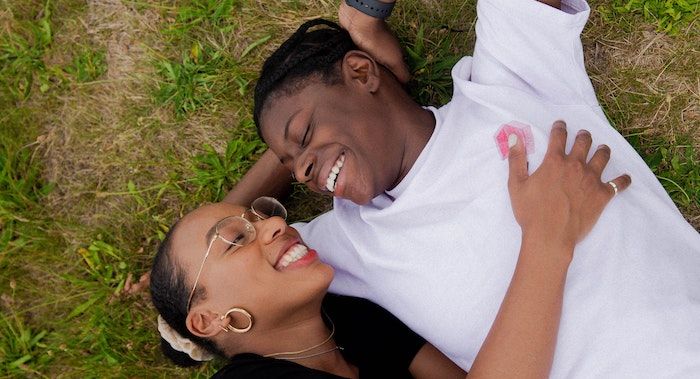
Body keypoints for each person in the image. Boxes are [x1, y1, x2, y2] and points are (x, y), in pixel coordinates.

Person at [225, 0, 700, 377]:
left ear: (361, 73)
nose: (303, 173)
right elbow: (203, 265)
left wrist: (366, 13)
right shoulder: (346, 244)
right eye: (292, 169)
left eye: (305, 133)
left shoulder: (506, 80)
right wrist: (295, 150)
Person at [151, 126, 627, 378]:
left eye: (262, 217)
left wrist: (301, 141)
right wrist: (547, 240)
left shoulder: (349, 321)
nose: (276, 223)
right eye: (236, 239)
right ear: (208, 321)